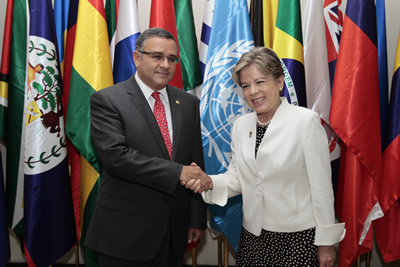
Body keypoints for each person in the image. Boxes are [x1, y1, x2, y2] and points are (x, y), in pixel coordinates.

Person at [184, 47, 345, 267]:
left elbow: (322, 189)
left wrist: (326, 243)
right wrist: (209, 182)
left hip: (297, 239)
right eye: (246, 86)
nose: (253, 92)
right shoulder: (241, 126)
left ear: (279, 82)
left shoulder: (306, 122)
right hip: (253, 237)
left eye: (260, 82)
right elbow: (238, 177)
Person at [85, 27, 207, 267]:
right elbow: (116, 158)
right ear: (137, 57)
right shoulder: (108, 100)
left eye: (172, 59)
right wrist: (177, 172)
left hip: (174, 233)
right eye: (157, 56)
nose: (165, 64)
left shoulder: (188, 103)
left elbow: (195, 161)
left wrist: (195, 218)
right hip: (124, 236)